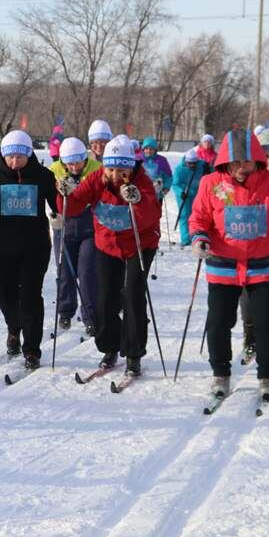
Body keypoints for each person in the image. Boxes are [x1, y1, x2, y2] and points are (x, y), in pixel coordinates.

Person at [189, 129, 269, 400]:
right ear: (226, 162)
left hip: (264, 265)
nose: (241, 168)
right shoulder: (211, 183)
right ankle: (220, 372)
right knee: (219, 320)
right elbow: (199, 218)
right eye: (235, 163)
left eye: (246, 162)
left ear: (256, 159)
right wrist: (200, 238)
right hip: (223, 264)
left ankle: (267, 375)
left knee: (266, 320)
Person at [58, 136, 161, 376]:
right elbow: (72, 207)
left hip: (139, 243)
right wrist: (66, 194)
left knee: (133, 293)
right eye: (111, 168)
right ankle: (109, 347)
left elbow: (151, 215)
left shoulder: (141, 181)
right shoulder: (96, 179)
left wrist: (136, 200)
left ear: (131, 166)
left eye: (121, 169)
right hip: (108, 243)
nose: (115, 174)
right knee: (105, 297)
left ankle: (134, 353)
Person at [0, 130, 58, 368]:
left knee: (31, 297)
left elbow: (56, 202)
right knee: (6, 296)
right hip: (2, 246)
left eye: (19, 157)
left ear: (29, 154)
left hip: (35, 246)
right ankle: (13, 328)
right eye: (10, 157)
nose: (14, 161)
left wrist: (58, 214)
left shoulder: (43, 175)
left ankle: (32, 349)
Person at [239, 126, 269, 361]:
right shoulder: (250, 178)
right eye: (265, 156)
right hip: (255, 244)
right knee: (249, 295)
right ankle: (250, 337)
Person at [49, 137, 101, 335]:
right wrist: (53, 212)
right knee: (64, 271)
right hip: (64, 226)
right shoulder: (55, 170)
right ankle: (65, 310)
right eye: (69, 163)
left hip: (90, 227)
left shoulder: (96, 168)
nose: (74, 166)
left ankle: (90, 315)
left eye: (77, 162)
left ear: (84, 159)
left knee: (87, 272)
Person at [171, 148, 209, 247]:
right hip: (184, 195)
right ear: (186, 161)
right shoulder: (179, 169)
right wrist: (181, 192)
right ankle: (186, 239)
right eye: (190, 163)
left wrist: (209, 169)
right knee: (184, 215)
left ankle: (196, 236)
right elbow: (175, 184)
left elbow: (211, 174)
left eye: (194, 163)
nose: (192, 165)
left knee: (197, 215)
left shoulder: (202, 165)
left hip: (197, 194)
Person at [141, 137, 173, 201]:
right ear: (143, 149)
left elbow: (168, 177)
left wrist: (166, 188)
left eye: (151, 149)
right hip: (141, 195)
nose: (149, 151)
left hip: (156, 195)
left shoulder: (161, 160)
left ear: (155, 150)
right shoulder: (138, 160)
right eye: (146, 148)